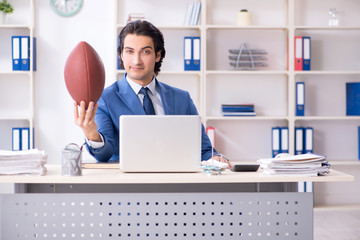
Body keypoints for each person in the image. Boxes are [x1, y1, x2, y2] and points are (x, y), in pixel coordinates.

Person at [74, 20, 230, 166]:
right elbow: (105, 155)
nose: (136, 61)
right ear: (121, 55)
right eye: (129, 51)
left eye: (145, 52)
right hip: (128, 186)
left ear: (158, 55)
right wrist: (91, 133)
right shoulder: (105, 99)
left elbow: (203, 150)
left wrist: (215, 158)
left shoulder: (182, 99)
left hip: (176, 182)